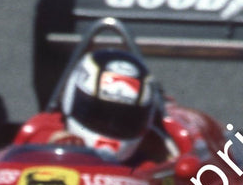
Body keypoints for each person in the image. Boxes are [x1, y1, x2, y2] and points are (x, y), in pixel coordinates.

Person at [22, 48, 172, 164]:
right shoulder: (42, 130)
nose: (110, 125)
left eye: (124, 120)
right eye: (98, 115)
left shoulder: (155, 145)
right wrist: (51, 149)